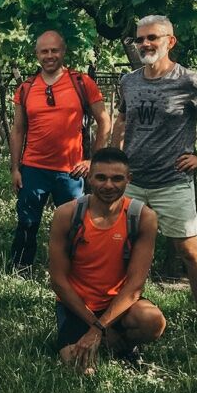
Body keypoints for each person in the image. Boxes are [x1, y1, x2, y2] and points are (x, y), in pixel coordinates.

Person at [112, 14, 197, 346]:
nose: (145, 44)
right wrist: (115, 158)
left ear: (170, 41)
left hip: (173, 180)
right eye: (140, 39)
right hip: (134, 180)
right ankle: (122, 314)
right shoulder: (129, 81)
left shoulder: (189, 81)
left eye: (152, 37)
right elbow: (122, 120)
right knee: (121, 249)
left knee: (189, 250)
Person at [48, 148, 166, 375]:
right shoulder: (67, 214)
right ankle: (102, 340)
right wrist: (96, 326)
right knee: (81, 369)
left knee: (153, 321)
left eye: (117, 178)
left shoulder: (143, 217)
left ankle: (121, 343)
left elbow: (134, 286)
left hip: (118, 306)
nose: (108, 185)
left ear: (128, 180)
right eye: (101, 177)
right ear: (89, 177)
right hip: (77, 306)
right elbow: (58, 281)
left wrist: (101, 327)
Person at [9, 30, 111, 271]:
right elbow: (18, 130)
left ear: (63, 52)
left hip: (71, 171)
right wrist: (15, 168)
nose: (50, 55)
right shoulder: (26, 88)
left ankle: (75, 270)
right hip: (33, 168)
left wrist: (92, 161)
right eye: (44, 51)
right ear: (36, 55)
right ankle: (20, 268)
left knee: (75, 225)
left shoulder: (81, 83)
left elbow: (104, 120)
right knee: (27, 221)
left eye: (54, 50)